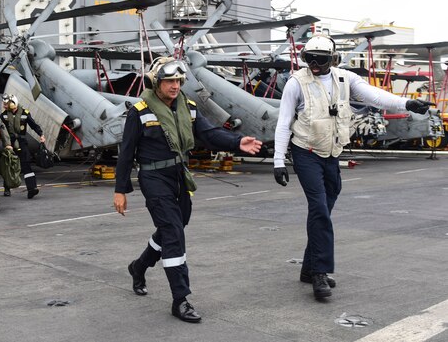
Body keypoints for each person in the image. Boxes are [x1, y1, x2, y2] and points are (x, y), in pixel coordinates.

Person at [273, 34, 433, 300]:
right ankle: (320, 273)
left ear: (331, 59)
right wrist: (279, 160)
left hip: (331, 153)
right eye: (309, 59)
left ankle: (309, 266)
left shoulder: (346, 79)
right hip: (306, 153)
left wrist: (407, 103)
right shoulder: (296, 83)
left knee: (325, 207)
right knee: (319, 209)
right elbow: (283, 122)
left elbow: (376, 97)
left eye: (320, 60)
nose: (313, 64)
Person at [114, 57, 263, 323]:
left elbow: (210, 134)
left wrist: (238, 141)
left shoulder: (189, 107)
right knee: (173, 234)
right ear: (156, 83)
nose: (175, 86)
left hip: (179, 176)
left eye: (178, 81)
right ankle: (180, 299)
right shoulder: (140, 111)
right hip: (153, 177)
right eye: (169, 81)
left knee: (176, 225)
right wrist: (120, 190)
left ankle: (139, 266)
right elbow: (126, 153)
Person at [0, 94, 45, 198]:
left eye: (6, 103)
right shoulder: (3, 116)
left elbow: (33, 125)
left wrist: (41, 134)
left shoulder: (25, 113)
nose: (4, 105)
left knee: (26, 164)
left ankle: (32, 188)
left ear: (12, 103)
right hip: (9, 143)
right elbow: (0, 129)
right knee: (8, 165)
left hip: (22, 142)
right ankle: (7, 188)